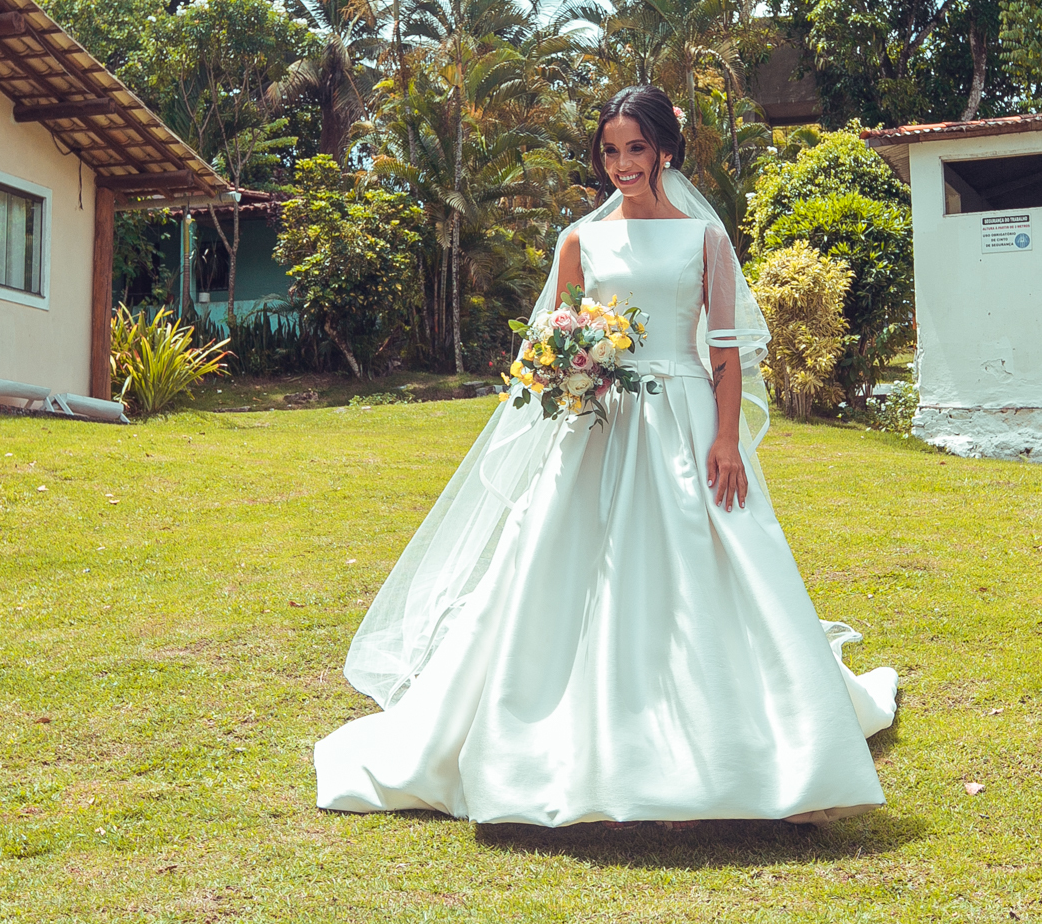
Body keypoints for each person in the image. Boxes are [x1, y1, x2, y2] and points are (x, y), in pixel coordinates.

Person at [314, 85, 897, 826]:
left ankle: (749, 743)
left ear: (663, 151)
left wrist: (725, 438)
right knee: (558, 566)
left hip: (684, 419)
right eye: (610, 150)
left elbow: (722, 349)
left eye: (635, 149)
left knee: (715, 559)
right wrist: (569, 369)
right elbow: (554, 337)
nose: (621, 163)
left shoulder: (703, 241)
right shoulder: (577, 241)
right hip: (600, 422)